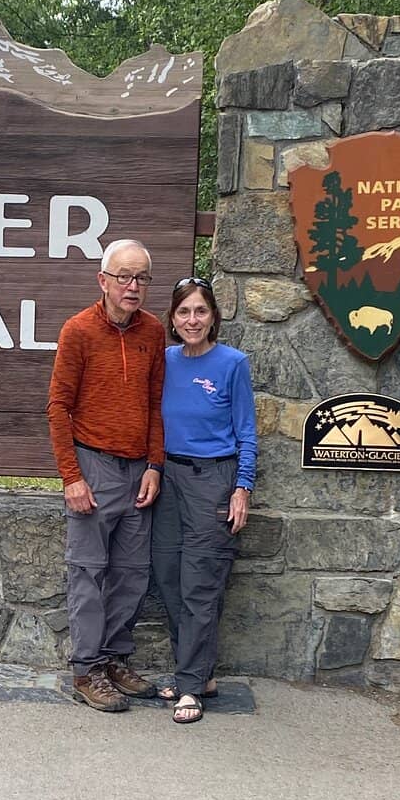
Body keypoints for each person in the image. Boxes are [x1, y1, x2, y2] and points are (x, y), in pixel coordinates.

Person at [46, 238, 166, 713]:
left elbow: (155, 404)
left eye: (141, 278)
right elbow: (58, 407)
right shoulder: (78, 330)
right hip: (93, 465)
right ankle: (86, 670)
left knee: (132, 575)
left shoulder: (153, 331)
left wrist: (155, 465)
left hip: (138, 470)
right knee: (88, 573)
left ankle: (115, 659)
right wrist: (71, 477)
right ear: (103, 280)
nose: (133, 286)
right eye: (124, 276)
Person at [151, 275, 257, 726]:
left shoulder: (232, 363)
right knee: (169, 577)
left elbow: (246, 431)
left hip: (213, 479)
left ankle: (190, 686)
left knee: (200, 582)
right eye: (184, 312)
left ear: (213, 317)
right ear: (173, 319)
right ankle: (200, 674)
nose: (192, 320)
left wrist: (242, 487)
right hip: (167, 478)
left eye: (200, 311)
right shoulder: (164, 361)